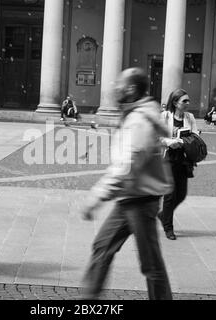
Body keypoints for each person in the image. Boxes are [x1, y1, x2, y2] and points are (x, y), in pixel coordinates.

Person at [81, 68, 174, 300]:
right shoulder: (136, 114)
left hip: (140, 201)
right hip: (131, 198)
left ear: (131, 89)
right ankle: (88, 299)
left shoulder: (139, 120)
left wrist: (97, 196)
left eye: (119, 84)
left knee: (151, 265)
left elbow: (127, 165)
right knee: (102, 247)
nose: (115, 88)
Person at [158, 89, 199, 241]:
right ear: (175, 103)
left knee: (181, 194)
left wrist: (185, 140)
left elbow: (195, 135)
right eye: (184, 101)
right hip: (168, 157)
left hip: (184, 158)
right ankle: (168, 227)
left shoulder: (190, 117)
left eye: (188, 100)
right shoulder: (165, 116)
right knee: (170, 194)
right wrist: (170, 142)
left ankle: (163, 215)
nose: (188, 103)